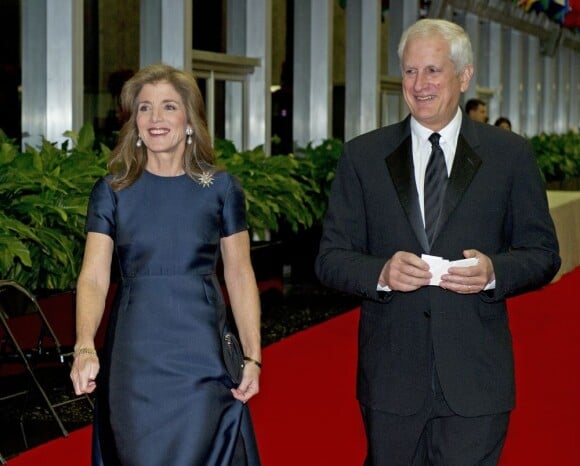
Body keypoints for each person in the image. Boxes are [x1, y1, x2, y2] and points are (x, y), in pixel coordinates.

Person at [315, 18, 560, 465]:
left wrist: (493, 272)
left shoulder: (509, 155)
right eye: (410, 71)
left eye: (433, 71)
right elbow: (330, 258)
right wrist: (382, 273)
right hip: (391, 382)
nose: (420, 84)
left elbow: (543, 254)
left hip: (476, 380)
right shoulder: (362, 157)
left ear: (464, 77)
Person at [70, 63, 262, 466]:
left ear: (189, 119)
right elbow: (93, 276)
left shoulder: (222, 189)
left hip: (202, 355)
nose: (155, 119)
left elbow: (240, 275)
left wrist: (253, 355)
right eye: (144, 108)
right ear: (134, 122)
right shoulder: (112, 191)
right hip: (135, 359)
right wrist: (84, 346)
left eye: (168, 107)